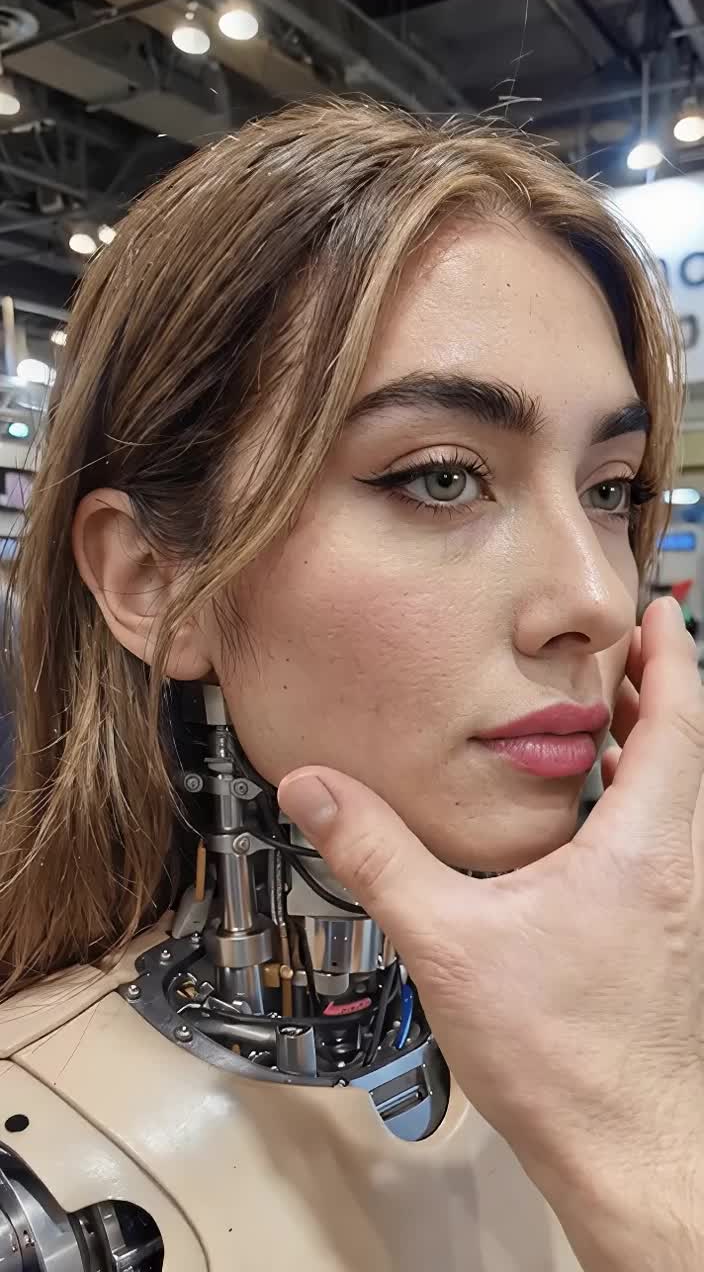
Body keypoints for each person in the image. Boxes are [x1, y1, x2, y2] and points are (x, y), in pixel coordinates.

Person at [0, 97, 699, 1271]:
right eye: (439, 477)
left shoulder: (656, 1037)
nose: (595, 593)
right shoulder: (46, 1201)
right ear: (155, 579)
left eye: (609, 489)